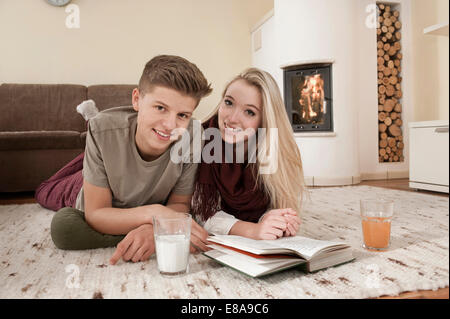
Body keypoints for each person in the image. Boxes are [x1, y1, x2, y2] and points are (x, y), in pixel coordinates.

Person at [35, 55, 212, 265]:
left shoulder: (192, 136)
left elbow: (180, 205)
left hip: (135, 197)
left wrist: (151, 230)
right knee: (59, 217)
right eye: (160, 108)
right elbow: (97, 214)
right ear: (136, 99)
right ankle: (85, 164)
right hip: (94, 192)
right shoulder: (102, 129)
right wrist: (158, 216)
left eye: (183, 115)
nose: (170, 124)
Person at [191, 68, 306, 240]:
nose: (232, 118)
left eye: (249, 112)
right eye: (229, 103)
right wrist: (252, 230)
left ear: (264, 121)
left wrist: (275, 219)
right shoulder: (198, 139)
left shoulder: (272, 149)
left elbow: (278, 204)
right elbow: (199, 212)